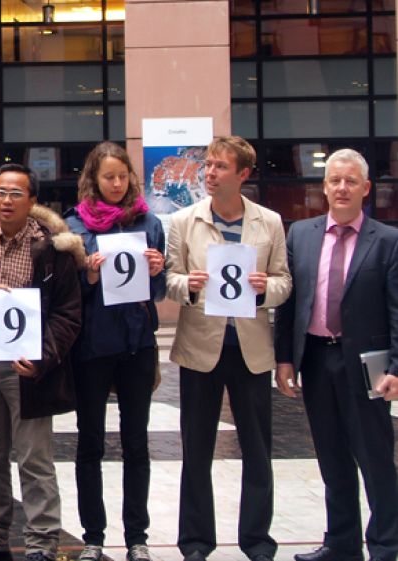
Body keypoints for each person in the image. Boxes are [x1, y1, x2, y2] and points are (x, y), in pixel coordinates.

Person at [165, 136, 291, 561]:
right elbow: (169, 279)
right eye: (209, 165)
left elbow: (284, 281)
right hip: (201, 349)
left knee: (258, 450)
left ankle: (257, 541)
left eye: (221, 166)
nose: (211, 173)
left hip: (251, 350)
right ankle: (197, 542)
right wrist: (190, 286)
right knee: (196, 450)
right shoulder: (184, 221)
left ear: (243, 174)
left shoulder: (268, 222)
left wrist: (263, 291)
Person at [0, 163, 83, 561]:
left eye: (15, 193)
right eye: (0, 192)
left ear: (32, 200)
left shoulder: (50, 246)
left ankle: (42, 543)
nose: (6, 201)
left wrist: (43, 357)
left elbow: (68, 312)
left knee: (35, 460)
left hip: (28, 369)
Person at [274, 149, 398, 561]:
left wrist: (397, 367)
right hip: (315, 357)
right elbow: (289, 304)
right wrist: (285, 359)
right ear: (323, 187)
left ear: (366, 188)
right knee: (330, 455)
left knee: (375, 457)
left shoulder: (388, 241)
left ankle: (385, 544)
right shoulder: (301, 235)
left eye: (350, 181)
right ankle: (341, 543)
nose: (341, 188)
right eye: (333, 180)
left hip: (368, 364)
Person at [63, 142, 166, 561]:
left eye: (123, 177)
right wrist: (86, 275)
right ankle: (93, 536)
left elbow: (157, 291)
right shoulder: (74, 227)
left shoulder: (150, 222)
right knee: (90, 443)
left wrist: (159, 271)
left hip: (137, 344)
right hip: (92, 347)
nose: (117, 184)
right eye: (109, 177)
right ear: (93, 179)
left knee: (136, 442)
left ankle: (137, 536)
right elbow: (67, 294)